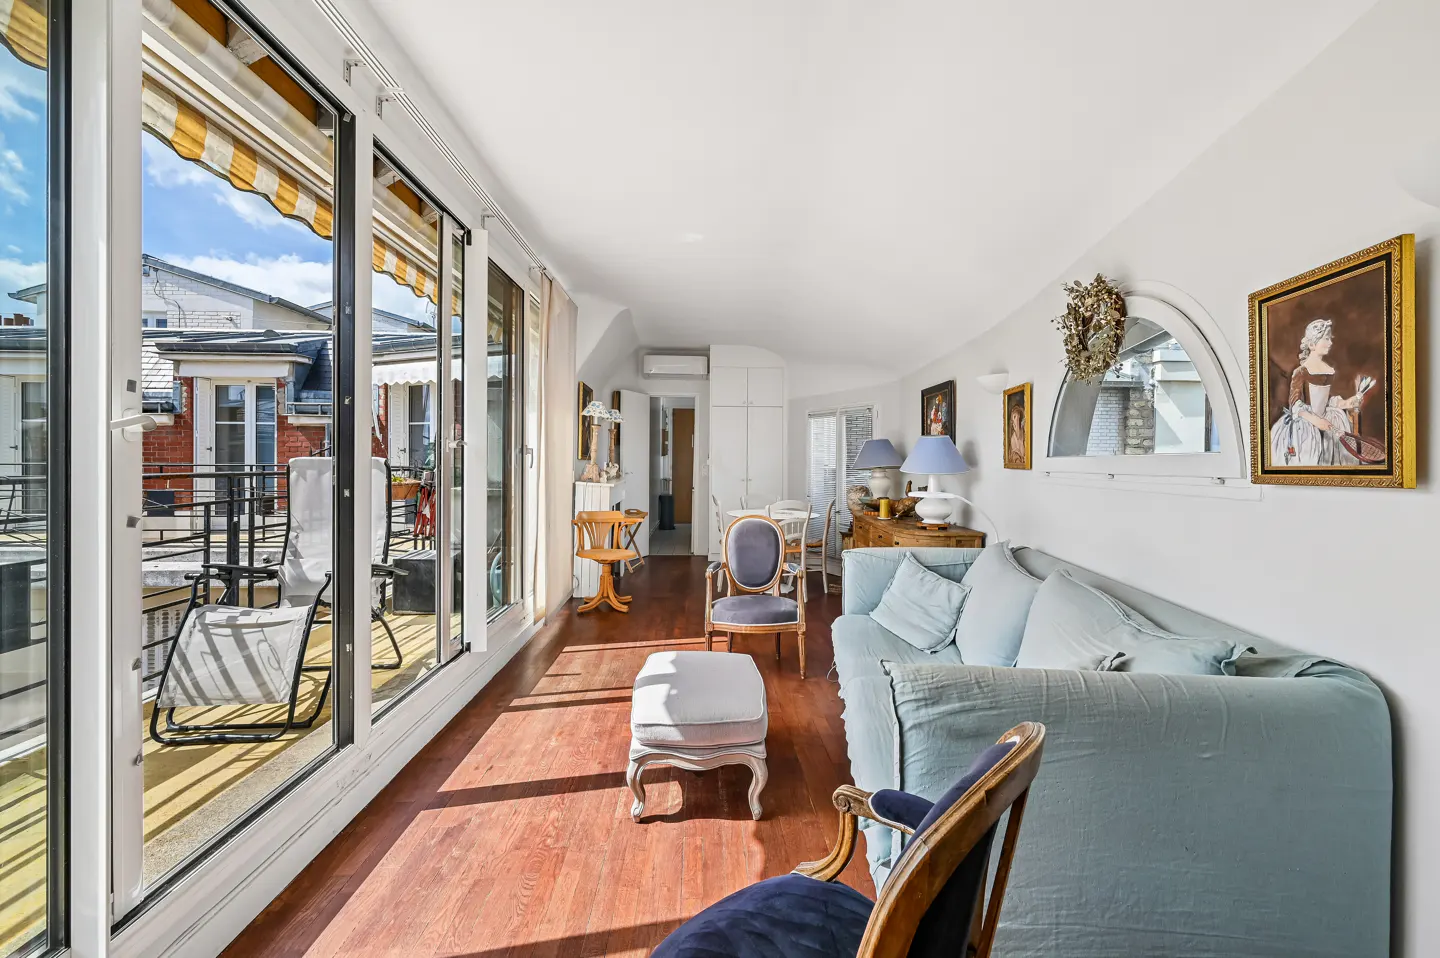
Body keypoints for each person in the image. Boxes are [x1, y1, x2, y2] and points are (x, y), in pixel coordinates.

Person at [1270, 318, 1364, 466]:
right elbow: (1295, 404)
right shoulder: (1301, 371)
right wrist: (1315, 420)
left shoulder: (1328, 370)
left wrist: (1346, 402)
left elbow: (1328, 400)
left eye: (1330, 339)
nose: (1330, 343)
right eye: (1326, 339)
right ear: (1313, 344)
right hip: (1306, 421)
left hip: (1327, 418)